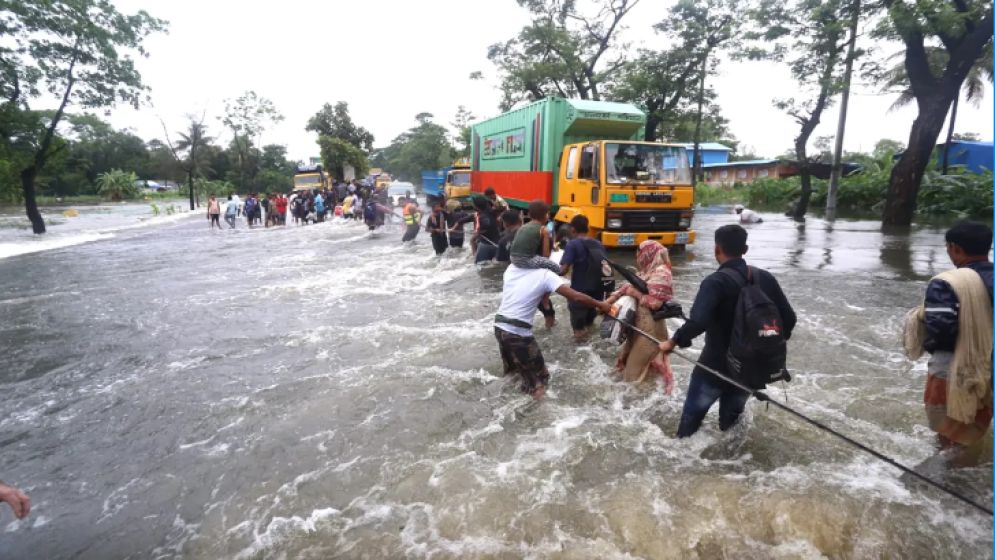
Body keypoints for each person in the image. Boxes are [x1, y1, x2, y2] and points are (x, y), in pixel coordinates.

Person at [658, 224, 796, 437]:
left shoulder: (715, 282)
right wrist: (761, 348)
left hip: (714, 367)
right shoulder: (765, 278)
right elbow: (789, 319)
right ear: (745, 249)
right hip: (749, 370)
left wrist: (673, 341)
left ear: (716, 249)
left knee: (689, 425)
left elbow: (698, 322)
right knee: (731, 429)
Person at [904, 221, 993, 453]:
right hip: (990, 369)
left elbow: (942, 331)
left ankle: (948, 479)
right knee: (975, 427)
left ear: (955, 248)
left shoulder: (947, 283)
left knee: (949, 435)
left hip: (955, 370)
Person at [495, 261, 617, 399]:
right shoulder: (546, 275)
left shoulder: (513, 268)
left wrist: (546, 302)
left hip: (500, 328)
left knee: (513, 374)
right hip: (518, 334)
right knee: (540, 380)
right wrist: (600, 304)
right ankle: (542, 416)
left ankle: (504, 401)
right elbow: (576, 296)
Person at [606, 241, 675, 391]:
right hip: (637, 328)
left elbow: (655, 303)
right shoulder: (645, 271)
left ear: (648, 253)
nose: (637, 257)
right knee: (624, 368)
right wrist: (609, 301)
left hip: (650, 331)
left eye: (639, 253)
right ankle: (651, 397)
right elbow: (626, 287)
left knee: (631, 378)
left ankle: (633, 408)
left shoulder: (662, 272)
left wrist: (635, 293)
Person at [559, 215, 611, 340]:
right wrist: (608, 294)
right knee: (590, 326)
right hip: (597, 294)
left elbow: (564, 269)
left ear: (572, 229)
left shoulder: (572, 244)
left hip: (580, 295)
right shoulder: (598, 244)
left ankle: (582, 354)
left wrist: (549, 271)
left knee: (579, 332)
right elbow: (606, 268)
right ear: (587, 228)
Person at [471, 196, 501, 263]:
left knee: (480, 266)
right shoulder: (493, 212)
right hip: (497, 244)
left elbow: (479, 230)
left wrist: (476, 234)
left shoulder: (480, 217)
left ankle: (474, 256)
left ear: (476, 206)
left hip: (485, 246)